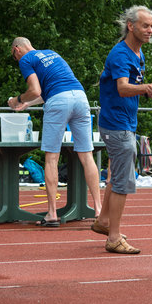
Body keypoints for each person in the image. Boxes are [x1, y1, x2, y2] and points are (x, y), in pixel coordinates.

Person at [8, 37, 102, 227]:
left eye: (14, 56)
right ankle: (99, 210)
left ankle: (51, 213)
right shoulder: (52, 53)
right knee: (87, 155)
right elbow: (48, 91)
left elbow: (35, 90)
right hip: (80, 97)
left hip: (59, 102)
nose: (16, 60)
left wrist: (17, 99)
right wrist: (27, 104)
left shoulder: (26, 60)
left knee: (51, 158)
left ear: (17, 49)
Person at [91, 6, 152, 254]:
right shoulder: (121, 54)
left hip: (123, 123)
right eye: (145, 26)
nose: (150, 30)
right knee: (122, 180)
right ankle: (113, 238)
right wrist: (145, 88)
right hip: (117, 124)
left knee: (116, 175)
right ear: (131, 26)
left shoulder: (137, 53)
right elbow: (122, 87)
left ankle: (103, 222)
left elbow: (134, 87)